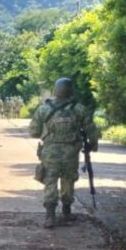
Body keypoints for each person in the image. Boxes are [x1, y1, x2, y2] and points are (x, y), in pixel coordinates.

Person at [29, 77, 100, 228]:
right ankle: (67, 211)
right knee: (68, 180)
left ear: (55, 90)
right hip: (71, 152)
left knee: (50, 181)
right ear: (71, 91)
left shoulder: (44, 108)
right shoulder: (79, 108)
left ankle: (50, 216)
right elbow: (91, 130)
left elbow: (34, 132)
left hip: (49, 152)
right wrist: (93, 145)